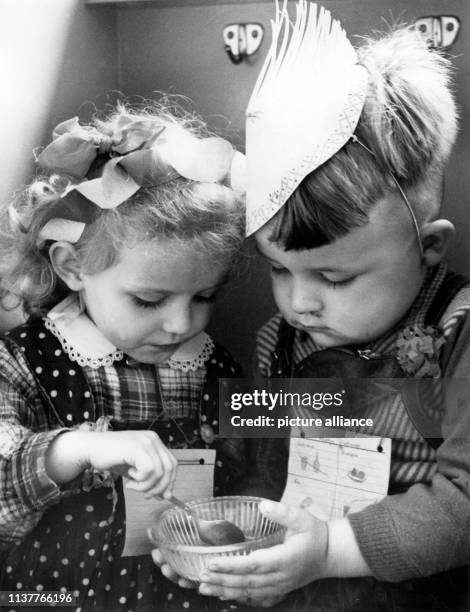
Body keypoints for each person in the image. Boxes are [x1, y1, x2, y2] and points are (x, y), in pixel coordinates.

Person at [195, 1, 470, 610]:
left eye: (335, 278)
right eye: (277, 270)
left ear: (427, 248)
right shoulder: (279, 341)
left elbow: (465, 500)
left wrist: (328, 552)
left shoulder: (457, 335)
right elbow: (260, 468)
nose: (298, 304)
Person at [0, 100, 247, 611]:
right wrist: (80, 450)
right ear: (72, 267)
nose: (182, 325)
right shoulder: (21, 364)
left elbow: (255, 471)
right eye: (149, 301)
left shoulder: (215, 366)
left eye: (204, 297)